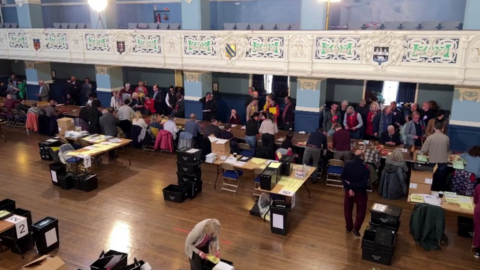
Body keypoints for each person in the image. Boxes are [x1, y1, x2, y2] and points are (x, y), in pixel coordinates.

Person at [341, 150, 369, 237]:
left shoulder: (348, 164)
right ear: (362, 156)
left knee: (347, 209)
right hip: (360, 192)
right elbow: (364, 183)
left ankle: (349, 227)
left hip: (348, 191)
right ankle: (356, 228)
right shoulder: (365, 167)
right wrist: (354, 187)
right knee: (361, 210)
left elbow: (342, 177)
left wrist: (349, 188)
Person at [421, 121, 450, 191]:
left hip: (432, 161)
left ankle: (430, 190)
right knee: (441, 178)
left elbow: (423, 150)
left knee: (431, 177)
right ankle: (438, 192)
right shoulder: (446, 138)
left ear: (434, 128)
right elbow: (448, 149)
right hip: (443, 161)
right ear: (442, 129)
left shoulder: (430, 138)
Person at [473, 182, 480, 258]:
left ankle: (478, 252)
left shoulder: (478, 186)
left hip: (479, 210)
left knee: (478, 230)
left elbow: (475, 201)